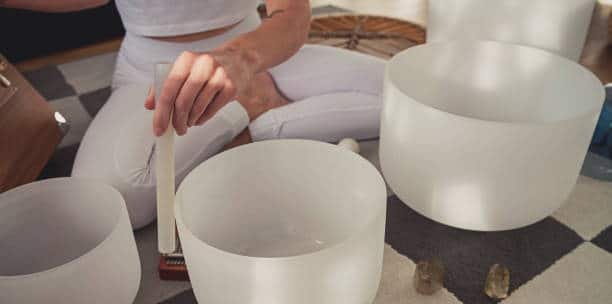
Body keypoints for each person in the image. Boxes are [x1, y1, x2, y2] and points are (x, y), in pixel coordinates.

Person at [3, 0, 385, 228]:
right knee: (106, 205)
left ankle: (259, 118)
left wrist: (241, 61)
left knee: (405, 95)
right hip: (151, 71)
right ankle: (247, 110)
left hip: (256, 52)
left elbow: (293, 15)